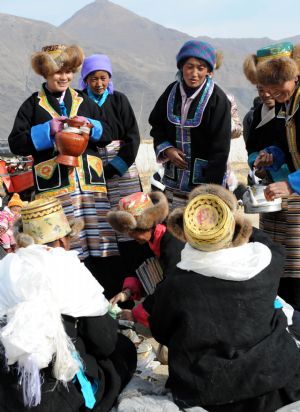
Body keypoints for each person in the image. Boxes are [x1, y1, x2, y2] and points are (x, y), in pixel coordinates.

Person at [148, 184, 300, 412]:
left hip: (209, 391)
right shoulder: (267, 263)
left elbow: (160, 331)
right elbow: (269, 244)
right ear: (236, 228)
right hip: (274, 382)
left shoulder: (175, 286)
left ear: (187, 234)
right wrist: (237, 220)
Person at [0, 197, 136, 411]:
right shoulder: (69, 268)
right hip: (58, 396)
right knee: (123, 350)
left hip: (9, 393)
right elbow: (103, 342)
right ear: (63, 240)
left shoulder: (6, 267)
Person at [7, 44, 114, 266]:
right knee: (63, 250)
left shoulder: (85, 101)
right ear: (45, 74)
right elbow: (16, 143)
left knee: (101, 249)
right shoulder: (32, 106)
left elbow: (110, 132)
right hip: (54, 189)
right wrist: (47, 130)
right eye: (58, 72)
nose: (64, 77)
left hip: (90, 189)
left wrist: (91, 126)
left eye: (68, 72)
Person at [78, 54, 146, 298]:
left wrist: (114, 167)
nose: (98, 83)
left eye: (103, 78)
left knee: (130, 223)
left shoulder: (120, 100)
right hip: (91, 171)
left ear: (109, 78)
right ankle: (107, 289)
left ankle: (136, 289)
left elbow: (133, 137)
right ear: (85, 80)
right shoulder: (80, 102)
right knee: (102, 228)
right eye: (93, 78)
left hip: (123, 169)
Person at [243, 41, 300, 309]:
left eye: (279, 90)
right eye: (269, 92)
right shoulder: (290, 102)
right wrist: (273, 155)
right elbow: (290, 147)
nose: (276, 97)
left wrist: (291, 183)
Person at [149, 39, 231, 209]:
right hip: (173, 183)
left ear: (209, 70)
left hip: (205, 183)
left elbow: (220, 149)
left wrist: (210, 192)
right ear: (181, 67)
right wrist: (167, 149)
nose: (194, 73)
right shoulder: (170, 93)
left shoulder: (217, 99)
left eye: (200, 68)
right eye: (189, 66)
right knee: (174, 230)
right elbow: (157, 125)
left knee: (201, 231)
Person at [107, 191, 184, 326]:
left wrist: (137, 313)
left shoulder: (172, 243)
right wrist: (126, 292)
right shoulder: (148, 240)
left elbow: (170, 286)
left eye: (134, 230)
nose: (130, 235)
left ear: (147, 225)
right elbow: (140, 266)